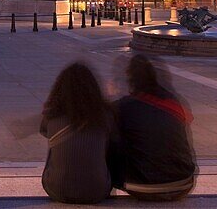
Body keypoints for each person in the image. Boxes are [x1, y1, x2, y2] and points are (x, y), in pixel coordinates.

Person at [111, 54, 197, 201]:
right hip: (183, 182)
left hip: (143, 186)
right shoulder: (174, 102)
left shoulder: (124, 106)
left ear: (130, 79)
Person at [40, 62, 113, 203]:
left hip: (57, 190)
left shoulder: (52, 114)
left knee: (55, 147)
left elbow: (44, 131)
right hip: (98, 192)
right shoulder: (105, 115)